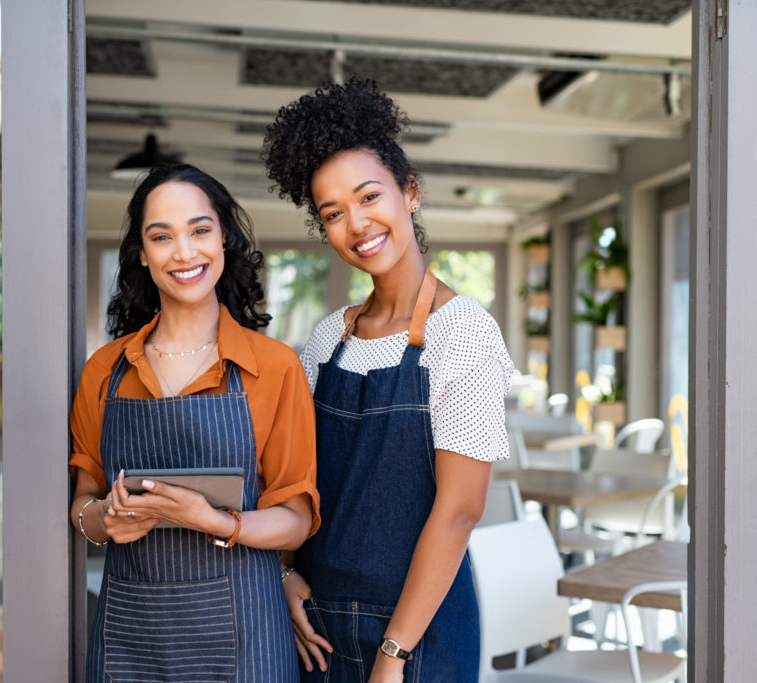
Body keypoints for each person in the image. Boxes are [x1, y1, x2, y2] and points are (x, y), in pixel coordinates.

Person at [263, 78, 515, 683]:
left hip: (418, 638)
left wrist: (393, 654)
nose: (356, 223)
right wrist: (285, 572)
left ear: (410, 193)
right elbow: (296, 482)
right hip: (317, 630)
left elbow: (459, 512)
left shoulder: (464, 334)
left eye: (369, 196)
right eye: (332, 213)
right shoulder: (327, 341)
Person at [69, 163, 320, 682]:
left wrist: (216, 521)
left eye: (200, 230)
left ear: (224, 239)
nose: (184, 252)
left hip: (245, 638)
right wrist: (104, 521)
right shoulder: (104, 370)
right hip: (129, 639)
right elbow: (83, 502)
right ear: (143, 254)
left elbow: (296, 516)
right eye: (162, 236)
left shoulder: (273, 367)